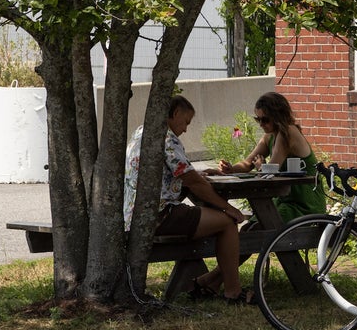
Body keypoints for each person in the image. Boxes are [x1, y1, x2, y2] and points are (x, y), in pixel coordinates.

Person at [122, 95, 250, 303]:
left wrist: (199, 174)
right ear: (175, 114)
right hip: (160, 214)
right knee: (227, 223)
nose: (185, 129)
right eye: (186, 122)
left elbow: (180, 173)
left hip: (133, 216)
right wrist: (229, 209)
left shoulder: (141, 132)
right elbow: (193, 183)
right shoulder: (168, 138)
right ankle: (233, 292)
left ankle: (209, 282)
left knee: (217, 219)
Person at [219, 91, 327, 221]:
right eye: (258, 119)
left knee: (257, 227)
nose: (261, 124)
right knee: (251, 227)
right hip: (285, 202)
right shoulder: (269, 136)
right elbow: (248, 163)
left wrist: (261, 167)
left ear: (277, 116)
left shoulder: (288, 132)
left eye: (265, 120)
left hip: (304, 205)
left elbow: (271, 170)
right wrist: (231, 169)